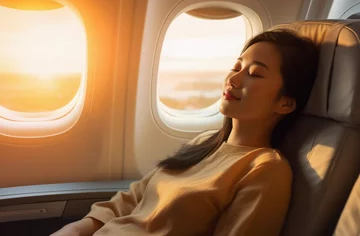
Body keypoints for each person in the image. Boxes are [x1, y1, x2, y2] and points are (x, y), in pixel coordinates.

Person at [51, 29, 318, 236]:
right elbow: (133, 199)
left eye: (255, 74)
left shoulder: (265, 170)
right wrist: (77, 228)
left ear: (286, 103)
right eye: (236, 68)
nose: (233, 79)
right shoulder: (205, 143)